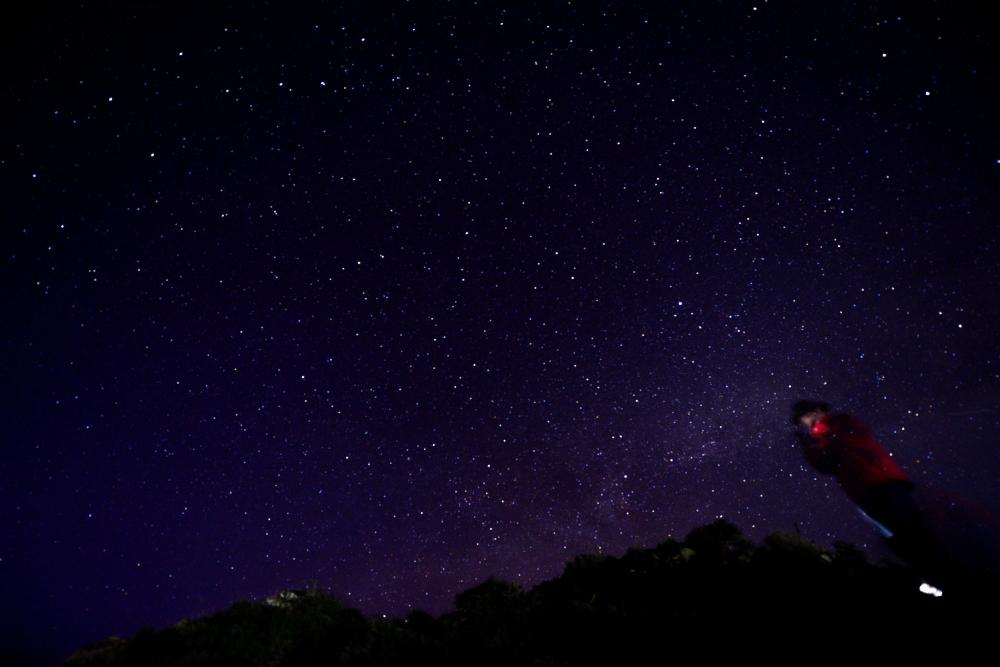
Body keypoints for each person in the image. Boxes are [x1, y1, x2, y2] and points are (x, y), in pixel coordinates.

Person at [790, 399, 956, 591]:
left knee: (912, 531)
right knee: (897, 539)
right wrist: (807, 445)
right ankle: (936, 580)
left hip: (884, 483)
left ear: (817, 411)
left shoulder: (841, 422)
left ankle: (953, 576)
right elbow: (823, 465)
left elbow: (842, 446)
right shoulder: (822, 437)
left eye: (807, 418)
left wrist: (819, 437)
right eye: (803, 421)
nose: (806, 424)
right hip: (863, 493)